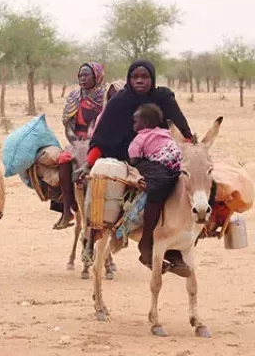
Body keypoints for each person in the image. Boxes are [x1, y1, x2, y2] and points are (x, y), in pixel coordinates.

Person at [78, 60, 193, 277]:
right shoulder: (118, 103)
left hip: (164, 156)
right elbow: (101, 139)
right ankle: (146, 245)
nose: (139, 81)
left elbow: (183, 132)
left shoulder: (164, 99)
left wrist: (191, 153)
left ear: (153, 78)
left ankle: (181, 242)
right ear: (129, 79)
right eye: (135, 77)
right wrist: (89, 163)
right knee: (160, 183)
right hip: (129, 160)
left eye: (145, 77)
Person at [53, 62, 105, 230]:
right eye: (80, 75)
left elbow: (109, 124)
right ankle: (67, 209)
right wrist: (76, 143)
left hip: (100, 140)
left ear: (96, 76)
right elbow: (68, 126)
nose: (82, 78)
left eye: (86, 75)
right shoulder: (74, 96)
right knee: (63, 159)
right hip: (77, 140)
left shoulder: (104, 97)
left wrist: (93, 142)